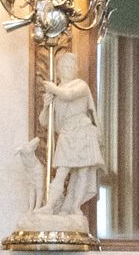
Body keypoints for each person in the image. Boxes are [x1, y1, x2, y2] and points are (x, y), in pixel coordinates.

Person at [39, 51, 102, 215]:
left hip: (82, 131)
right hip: (67, 133)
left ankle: (75, 207)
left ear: (76, 69)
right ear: (58, 69)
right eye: (64, 66)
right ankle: (50, 205)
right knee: (61, 171)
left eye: (71, 65)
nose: (68, 68)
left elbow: (68, 95)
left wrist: (54, 89)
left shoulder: (80, 85)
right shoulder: (56, 91)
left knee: (82, 172)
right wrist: (46, 106)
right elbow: (44, 122)